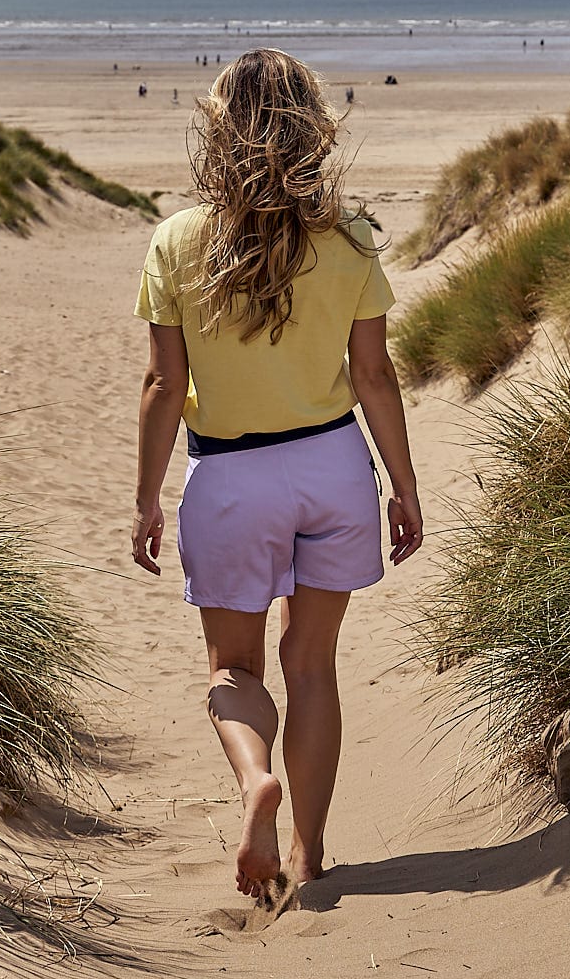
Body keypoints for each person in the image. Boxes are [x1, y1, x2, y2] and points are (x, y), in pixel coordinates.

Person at [132, 49, 423, 903]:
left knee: (235, 671)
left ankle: (256, 778)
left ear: (218, 130)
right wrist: (403, 487)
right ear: (312, 126)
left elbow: (161, 385)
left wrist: (147, 498)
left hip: (231, 476)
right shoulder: (351, 236)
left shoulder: (179, 239)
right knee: (313, 667)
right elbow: (376, 376)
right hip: (333, 466)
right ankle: (309, 856)